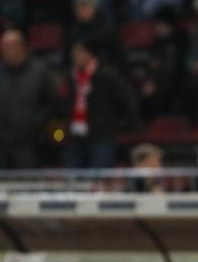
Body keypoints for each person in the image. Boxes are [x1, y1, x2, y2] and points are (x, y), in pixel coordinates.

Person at [62, 36, 139, 169]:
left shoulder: (107, 75)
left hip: (102, 136)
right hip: (76, 136)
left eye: (79, 52)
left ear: (90, 53)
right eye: (73, 53)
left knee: (98, 179)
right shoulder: (70, 77)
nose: (75, 56)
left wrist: (120, 124)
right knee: (73, 179)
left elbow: (129, 99)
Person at [0, 29, 54, 169]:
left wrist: (35, 123)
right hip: (1, 144)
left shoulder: (39, 72)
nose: (7, 51)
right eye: (4, 47)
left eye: (10, 46)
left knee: (28, 185)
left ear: (21, 47)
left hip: (29, 143)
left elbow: (51, 103)